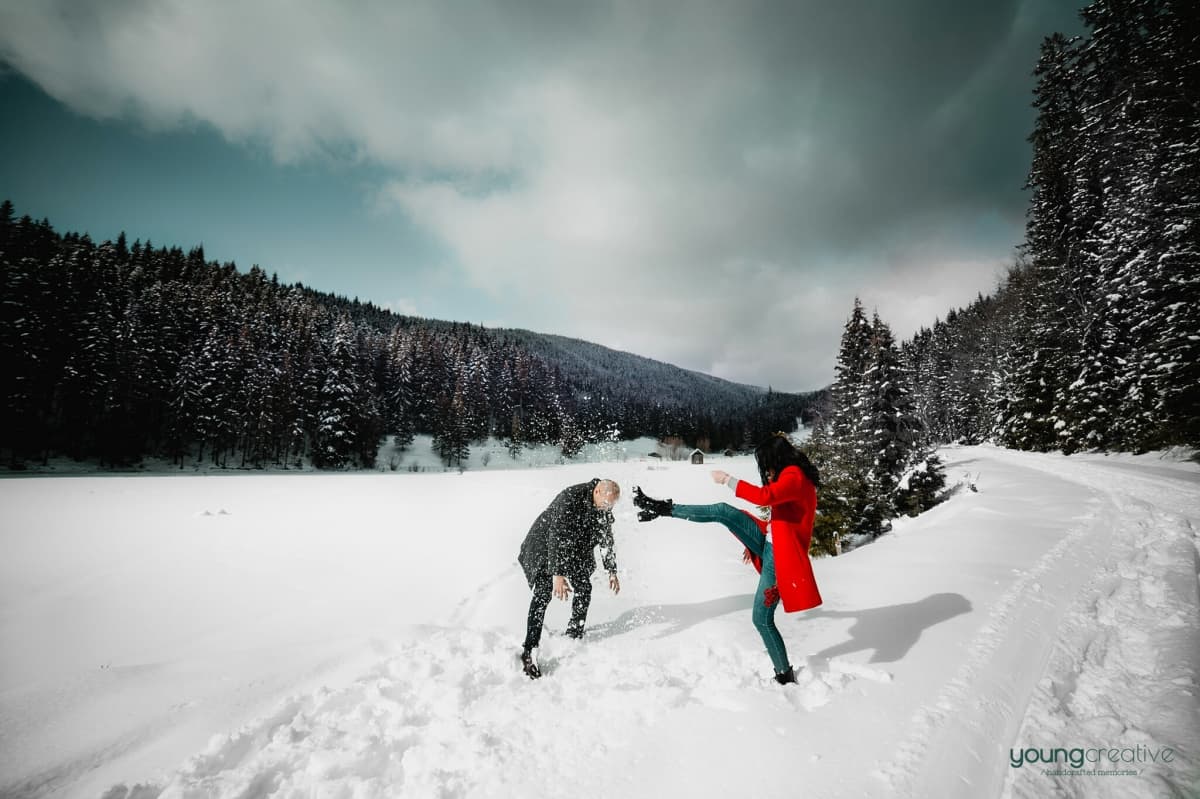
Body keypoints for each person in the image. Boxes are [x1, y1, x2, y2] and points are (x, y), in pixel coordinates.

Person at [633, 434, 822, 684]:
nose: (766, 470)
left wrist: (728, 480)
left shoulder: (795, 476)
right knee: (723, 511)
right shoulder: (790, 474)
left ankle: (784, 676)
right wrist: (753, 541)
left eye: (766, 463)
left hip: (780, 560)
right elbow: (783, 518)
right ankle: (664, 509)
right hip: (768, 541)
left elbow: (765, 497)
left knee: (761, 620)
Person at [517, 478, 621, 679]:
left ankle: (574, 633)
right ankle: (529, 650)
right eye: (607, 503)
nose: (609, 508)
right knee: (543, 593)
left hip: (575, 547)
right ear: (597, 492)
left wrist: (612, 570)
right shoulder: (570, 497)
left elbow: (606, 538)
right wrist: (558, 574)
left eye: (612, 505)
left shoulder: (604, 506)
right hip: (545, 546)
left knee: (584, 586)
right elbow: (556, 535)